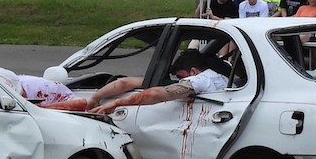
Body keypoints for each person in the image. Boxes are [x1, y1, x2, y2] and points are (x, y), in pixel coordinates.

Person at [76, 50, 229, 114]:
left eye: (181, 77)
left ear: (194, 72)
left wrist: (116, 104)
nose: (179, 81)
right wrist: (96, 98)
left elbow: (156, 93)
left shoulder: (200, 81)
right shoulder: (222, 78)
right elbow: (125, 83)